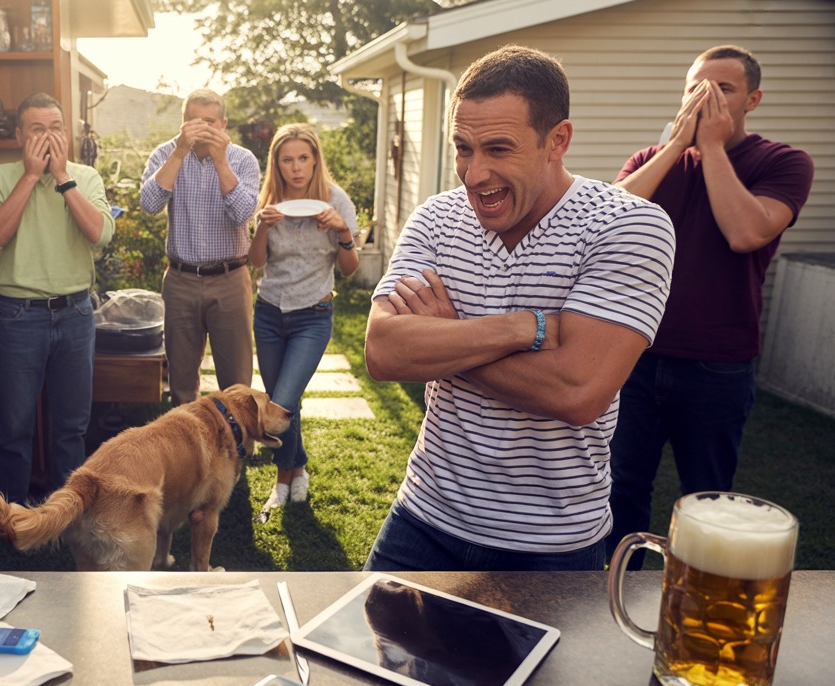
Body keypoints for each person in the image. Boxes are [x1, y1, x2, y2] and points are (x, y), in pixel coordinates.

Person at [363, 45, 676, 572]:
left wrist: (446, 340)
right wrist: (520, 328)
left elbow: (577, 391)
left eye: (498, 149)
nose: (473, 172)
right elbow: (384, 351)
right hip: (423, 518)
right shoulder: (437, 219)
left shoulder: (628, 227)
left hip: (551, 545)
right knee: (366, 657)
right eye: (462, 147)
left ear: (558, 140)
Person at [605, 46, 814, 567]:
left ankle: (691, 599)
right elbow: (606, 223)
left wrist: (712, 149)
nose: (704, 97)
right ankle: (610, 591)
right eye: (695, 86)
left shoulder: (783, 162)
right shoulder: (653, 159)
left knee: (706, 500)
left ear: (753, 100)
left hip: (717, 366)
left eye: (722, 88)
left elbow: (746, 232)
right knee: (621, 487)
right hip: (636, 356)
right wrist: (677, 144)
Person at [0, 92, 114, 505]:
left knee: (71, 425)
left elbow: (100, 235)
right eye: (37, 129)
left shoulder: (85, 177)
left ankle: (64, 513)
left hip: (75, 313)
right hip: (20, 315)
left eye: (55, 128)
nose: (48, 136)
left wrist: (63, 179)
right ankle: (12, 515)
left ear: (66, 133)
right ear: (19, 135)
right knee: (14, 426)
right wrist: (32, 176)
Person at [248, 123, 359, 514]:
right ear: (277, 164)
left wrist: (343, 231)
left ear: (315, 160)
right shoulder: (270, 201)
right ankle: (299, 468)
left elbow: (350, 268)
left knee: (281, 402)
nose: (296, 168)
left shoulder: (334, 200)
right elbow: (256, 262)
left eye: (303, 158)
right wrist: (262, 226)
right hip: (269, 313)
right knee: (285, 404)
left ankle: (282, 480)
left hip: (313, 314)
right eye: (287, 159)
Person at [140, 89, 260, 405]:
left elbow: (242, 213)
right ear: (182, 123)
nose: (202, 128)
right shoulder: (165, 154)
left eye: (209, 121)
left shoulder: (243, 159)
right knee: (181, 379)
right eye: (194, 120)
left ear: (223, 123)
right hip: (180, 280)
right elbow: (149, 204)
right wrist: (179, 153)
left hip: (230, 279)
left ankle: (238, 449)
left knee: (236, 381)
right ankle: (188, 450)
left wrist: (220, 160)